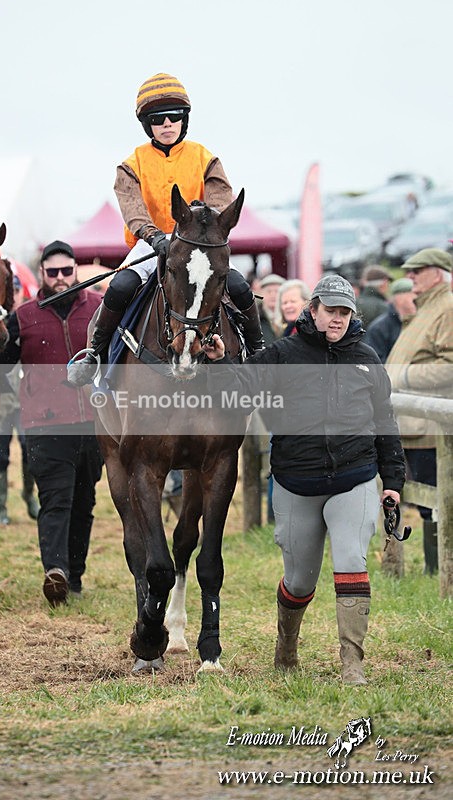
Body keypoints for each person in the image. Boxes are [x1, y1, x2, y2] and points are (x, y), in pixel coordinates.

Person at [204, 274, 405, 685]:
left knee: (351, 561)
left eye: (345, 312)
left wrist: (393, 481)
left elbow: (385, 420)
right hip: (297, 481)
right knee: (299, 580)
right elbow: (241, 386)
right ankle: (286, 648)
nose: (337, 319)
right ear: (313, 310)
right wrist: (221, 360)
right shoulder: (282, 355)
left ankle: (353, 664)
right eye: (331, 310)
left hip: (355, 476)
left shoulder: (368, 359)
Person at [70, 72, 264, 385]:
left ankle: (258, 350)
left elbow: (219, 198)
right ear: (147, 125)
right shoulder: (131, 164)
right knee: (119, 288)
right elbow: (132, 208)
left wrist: (203, 224)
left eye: (175, 117)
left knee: (240, 288)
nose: (168, 124)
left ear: (184, 120)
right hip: (152, 243)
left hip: (198, 243)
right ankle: (94, 353)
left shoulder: (205, 157)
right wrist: (155, 236)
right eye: (158, 119)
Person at [0, 241, 104, 606]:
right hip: (44, 424)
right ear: (43, 274)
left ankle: (75, 576)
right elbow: (1, 363)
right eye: (54, 272)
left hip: (93, 423)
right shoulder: (24, 316)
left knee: (84, 501)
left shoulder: (98, 308)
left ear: (76, 270)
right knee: (55, 499)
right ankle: (56, 572)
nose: (62, 278)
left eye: (68, 271)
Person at [386, 248, 453, 575]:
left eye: (417, 270)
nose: (409, 276)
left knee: (437, 499)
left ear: (437, 274)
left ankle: (440, 569)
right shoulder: (427, 308)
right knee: (423, 499)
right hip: (412, 424)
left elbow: (450, 366)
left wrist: (404, 375)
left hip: (431, 427)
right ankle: (434, 568)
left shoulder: (448, 308)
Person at [0, 272, 39, 526]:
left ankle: (29, 495)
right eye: (12, 291)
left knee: (31, 452)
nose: (16, 295)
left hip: (27, 399)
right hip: (3, 400)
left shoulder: (31, 319)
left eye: (18, 290)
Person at [363, 277, 416, 362]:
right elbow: (373, 362)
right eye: (413, 295)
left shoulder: (423, 322)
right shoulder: (379, 328)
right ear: (399, 298)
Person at [257, 273, 285, 344]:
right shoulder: (255, 318)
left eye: (277, 291)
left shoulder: (289, 318)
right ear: (261, 294)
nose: (273, 295)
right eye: (268, 291)